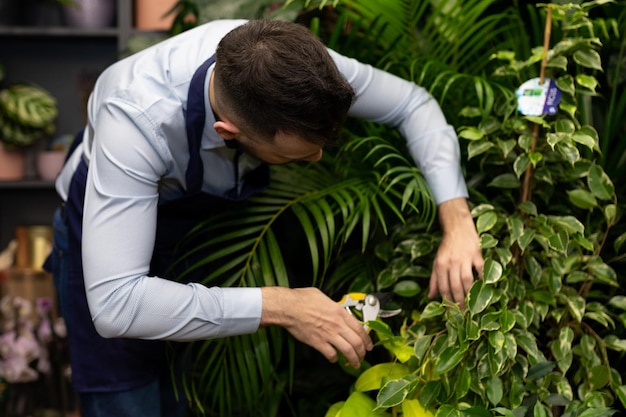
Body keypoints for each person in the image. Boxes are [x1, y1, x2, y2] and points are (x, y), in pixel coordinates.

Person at [44, 19, 483, 417]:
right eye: (298, 153)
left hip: (195, 233)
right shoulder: (136, 119)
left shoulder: (293, 65)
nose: (317, 159)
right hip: (105, 243)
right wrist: (281, 305)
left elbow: (413, 103)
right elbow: (119, 304)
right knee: (130, 400)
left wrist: (457, 220)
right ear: (228, 133)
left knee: (191, 398)